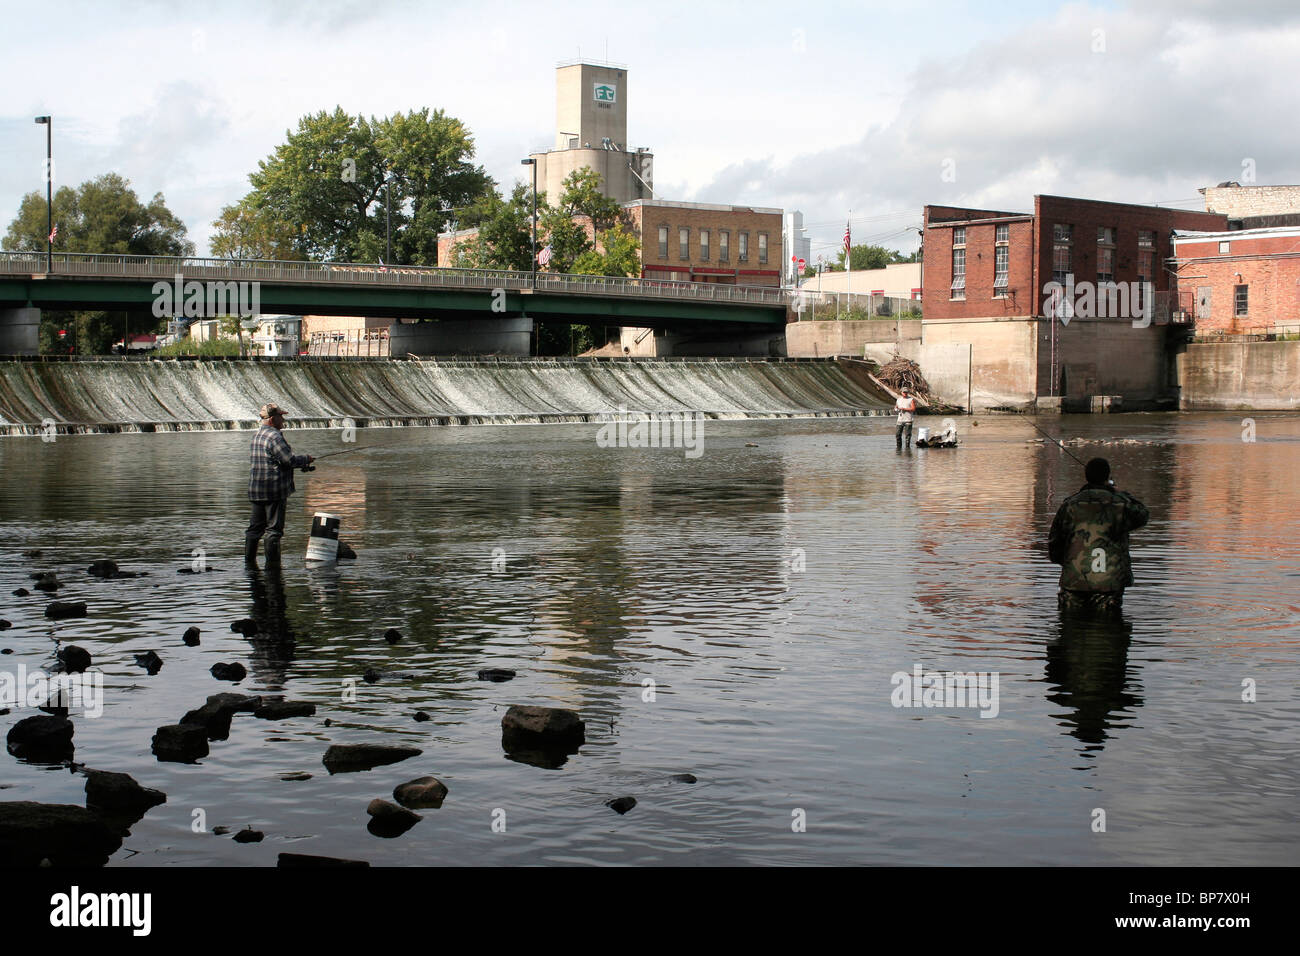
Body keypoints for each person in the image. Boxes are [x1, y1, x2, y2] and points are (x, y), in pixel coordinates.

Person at [1048, 458, 1148, 614]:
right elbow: (1143, 515)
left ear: (1086, 476)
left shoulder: (1069, 505)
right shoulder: (1120, 505)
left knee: (1070, 629)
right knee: (1110, 626)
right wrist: (1120, 493)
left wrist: (1069, 564)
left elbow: (1054, 545)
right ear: (1107, 476)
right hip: (1109, 585)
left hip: (1074, 583)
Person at [245, 402, 314, 567]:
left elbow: (275, 462)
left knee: (254, 530)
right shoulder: (274, 436)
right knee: (273, 531)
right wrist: (306, 459)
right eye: (280, 416)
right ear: (272, 419)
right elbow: (288, 460)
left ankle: (249, 564)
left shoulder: (257, 435)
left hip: (256, 490)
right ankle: (273, 568)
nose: (283, 419)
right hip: (274, 492)